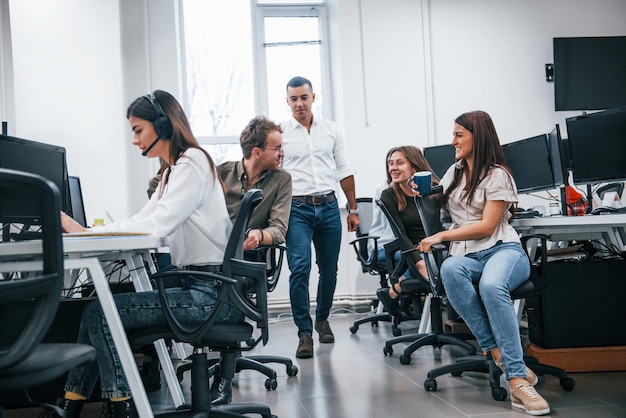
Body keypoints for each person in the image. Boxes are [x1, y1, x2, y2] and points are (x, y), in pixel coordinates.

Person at [52, 90, 240, 418]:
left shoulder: (192, 163)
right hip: (200, 288)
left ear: (164, 126)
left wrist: (85, 233)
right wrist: (88, 232)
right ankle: (70, 405)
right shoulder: (172, 171)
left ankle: (118, 407)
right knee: (95, 311)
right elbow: (143, 219)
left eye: (139, 130)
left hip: (209, 295)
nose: (135, 140)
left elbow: (157, 225)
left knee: (99, 312)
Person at [417, 110, 550, 416]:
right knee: (449, 269)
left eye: (459, 135)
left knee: (492, 286)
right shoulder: (455, 171)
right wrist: (424, 192)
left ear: (478, 136)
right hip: (467, 255)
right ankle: (499, 353)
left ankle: (517, 383)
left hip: (503, 251)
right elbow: (444, 202)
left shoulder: (497, 174)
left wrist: (440, 236)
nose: (453, 141)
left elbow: (488, 226)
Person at [212, 115, 291, 404]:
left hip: (250, 260)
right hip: (211, 256)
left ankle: (224, 372)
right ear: (257, 152)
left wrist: (259, 234)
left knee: (232, 281)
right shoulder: (219, 173)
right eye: (277, 148)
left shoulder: (282, 179)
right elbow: (157, 184)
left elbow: (279, 229)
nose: (282, 153)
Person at [281, 76, 359, 359]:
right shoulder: (280, 134)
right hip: (296, 209)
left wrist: (353, 208)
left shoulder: (331, 130)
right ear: (287, 101)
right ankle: (304, 333)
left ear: (313, 97)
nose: (299, 103)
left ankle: (322, 319)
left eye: (304, 97)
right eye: (293, 99)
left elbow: (344, 169)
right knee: (299, 269)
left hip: (328, 206)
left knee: (329, 269)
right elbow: (273, 175)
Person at [375, 146, 437, 316]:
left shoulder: (435, 189)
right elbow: (401, 235)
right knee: (433, 264)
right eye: (390, 164)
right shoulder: (388, 195)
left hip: (438, 242)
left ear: (415, 167)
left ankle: (395, 288)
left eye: (399, 163)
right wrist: (419, 263)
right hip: (413, 246)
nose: (393, 168)